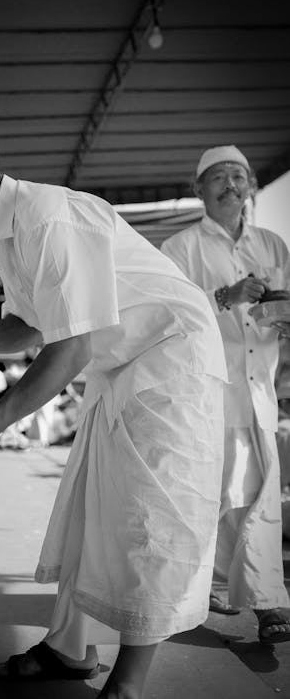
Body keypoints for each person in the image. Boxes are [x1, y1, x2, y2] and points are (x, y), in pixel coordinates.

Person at [0, 119, 228, 698]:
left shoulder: (49, 217)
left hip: (173, 363)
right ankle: (68, 649)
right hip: (121, 367)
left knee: (149, 518)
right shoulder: (4, 235)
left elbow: (68, 347)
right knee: (92, 512)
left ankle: (127, 684)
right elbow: (30, 326)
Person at [161, 145, 290, 643]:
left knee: (253, 494)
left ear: (251, 185)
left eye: (239, 175)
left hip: (259, 394)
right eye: (218, 177)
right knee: (213, 495)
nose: (230, 184)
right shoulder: (180, 249)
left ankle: (262, 600)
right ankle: (233, 593)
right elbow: (166, 315)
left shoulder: (274, 246)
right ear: (199, 190)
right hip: (206, 393)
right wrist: (225, 297)